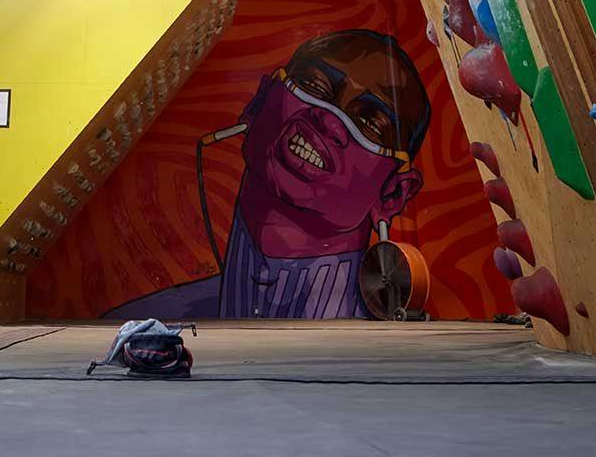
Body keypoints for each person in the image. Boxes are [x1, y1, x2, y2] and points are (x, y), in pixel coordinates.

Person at [109, 29, 432, 319]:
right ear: (259, 101)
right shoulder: (149, 322)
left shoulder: (385, 358)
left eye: (371, 124)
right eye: (314, 86)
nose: (329, 122)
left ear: (394, 193)